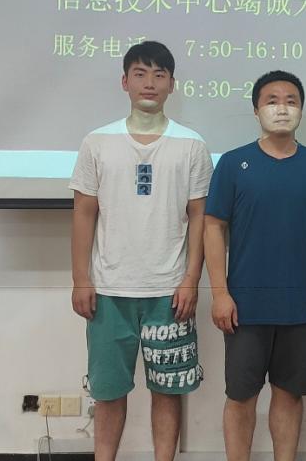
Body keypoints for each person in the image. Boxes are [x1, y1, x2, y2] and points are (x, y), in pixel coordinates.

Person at [70, 41, 213, 461]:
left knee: (167, 391)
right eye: (140, 74)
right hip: (109, 290)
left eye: (159, 75)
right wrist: (81, 278)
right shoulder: (97, 141)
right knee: (108, 391)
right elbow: (84, 213)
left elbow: (200, 218)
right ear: (124, 82)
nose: (149, 83)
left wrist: (191, 279)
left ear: (172, 84)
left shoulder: (191, 144)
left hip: (169, 292)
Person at [204, 70, 306, 461]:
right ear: (256, 110)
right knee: (240, 396)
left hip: (300, 304)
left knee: (289, 394)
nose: (282, 108)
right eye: (271, 100)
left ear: (301, 110)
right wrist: (220, 293)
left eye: (291, 101)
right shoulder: (234, 163)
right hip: (244, 305)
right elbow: (213, 227)